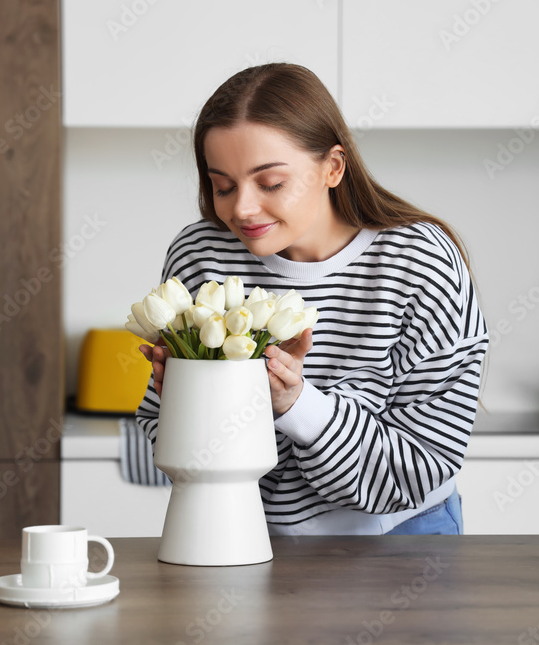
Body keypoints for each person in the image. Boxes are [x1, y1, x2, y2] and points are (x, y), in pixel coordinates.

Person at [137, 63, 487, 536]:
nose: (240, 208)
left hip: (401, 537)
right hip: (245, 530)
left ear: (333, 167)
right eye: (222, 185)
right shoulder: (202, 254)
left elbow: (421, 465)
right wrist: (189, 401)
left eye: (270, 183)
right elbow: (162, 432)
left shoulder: (418, 261)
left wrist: (295, 405)